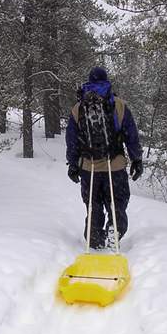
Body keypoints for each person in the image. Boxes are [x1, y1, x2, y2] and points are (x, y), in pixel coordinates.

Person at [65, 67, 143, 250]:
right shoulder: (118, 105)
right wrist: (136, 159)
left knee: (93, 206)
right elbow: (131, 134)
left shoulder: (78, 108)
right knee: (118, 204)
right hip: (114, 166)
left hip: (88, 168)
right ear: (107, 81)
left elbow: (72, 139)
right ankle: (114, 230)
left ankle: (94, 240)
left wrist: (73, 164)